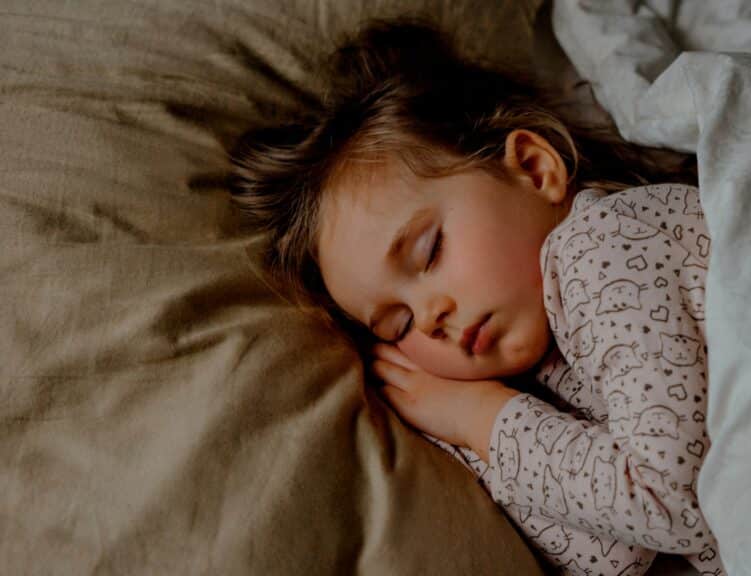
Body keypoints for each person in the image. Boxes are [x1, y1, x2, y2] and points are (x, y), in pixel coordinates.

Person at [228, 19, 724, 576]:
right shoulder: (545, 367)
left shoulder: (603, 245)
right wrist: (463, 436)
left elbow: (672, 502)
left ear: (535, 170)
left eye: (429, 251)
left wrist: (482, 420)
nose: (431, 318)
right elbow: (614, 556)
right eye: (396, 325)